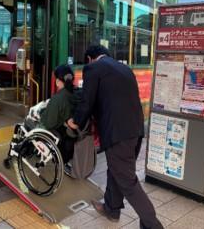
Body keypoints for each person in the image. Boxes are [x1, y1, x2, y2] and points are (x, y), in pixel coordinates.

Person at [68, 46, 163, 229]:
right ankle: (111, 209)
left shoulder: (93, 68)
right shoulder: (124, 69)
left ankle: (153, 225)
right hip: (136, 130)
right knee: (117, 170)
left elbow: (88, 100)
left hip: (118, 134)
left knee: (127, 180)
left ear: (90, 58)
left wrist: (76, 121)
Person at [40, 64, 76, 164]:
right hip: (71, 134)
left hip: (60, 136)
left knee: (28, 122)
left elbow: (49, 124)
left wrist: (42, 113)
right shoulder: (76, 93)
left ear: (58, 81)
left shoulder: (58, 98)